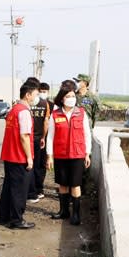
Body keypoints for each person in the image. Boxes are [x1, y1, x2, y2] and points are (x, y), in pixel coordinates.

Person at [46, 81, 92, 225]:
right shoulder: (55, 114)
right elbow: (50, 136)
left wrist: (87, 153)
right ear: (62, 98)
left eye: (73, 95)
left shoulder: (81, 113)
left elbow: (87, 134)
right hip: (60, 154)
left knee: (75, 185)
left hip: (77, 154)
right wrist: (49, 156)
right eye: (68, 96)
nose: (71, 98)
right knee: (63, 184)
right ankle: (63, 211)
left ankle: (76, 214)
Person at [0, 81, 39, 229]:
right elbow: (24, 136)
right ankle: (16, 219)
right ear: (28, 95)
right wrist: (29, 157)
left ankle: (4, 217)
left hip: (9, 155)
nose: (36, 97)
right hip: (19, 156)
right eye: (35, 94)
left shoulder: (14, 109)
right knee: (19, 190)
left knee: (8, 187)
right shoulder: (24, 112)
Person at [27, 81, 53, 203]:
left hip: (28, 138)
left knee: (29, 164)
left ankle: (30, 190)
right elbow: (46, 122)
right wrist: (43, 137)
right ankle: (37, 190)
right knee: (38, 165)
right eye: (40, 91)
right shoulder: (45, 104)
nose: (42, 93)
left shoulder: (26, 102)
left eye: (44, 91)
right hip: (39, 139)